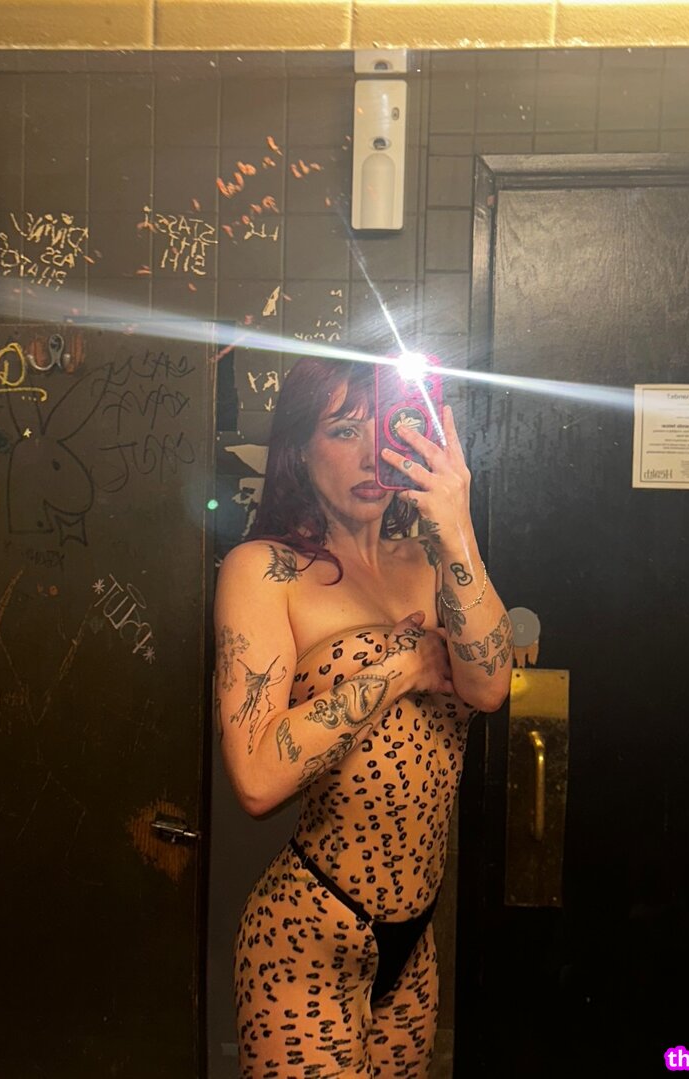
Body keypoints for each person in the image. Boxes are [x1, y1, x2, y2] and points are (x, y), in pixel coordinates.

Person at [214, 356, 512, 1077]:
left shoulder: (429, 561)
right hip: (308, 936)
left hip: (413, 941)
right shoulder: (264, 570)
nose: (371, 454)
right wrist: (400, 667)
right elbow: (255, 779)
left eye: (382, 429)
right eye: (343, 431)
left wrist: (457, 529)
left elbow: (489, 684)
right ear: (299, 449)